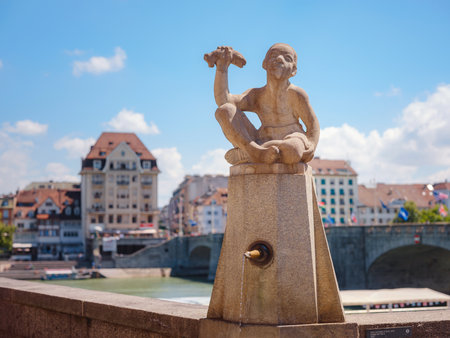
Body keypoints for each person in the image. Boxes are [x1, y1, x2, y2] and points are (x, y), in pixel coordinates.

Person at [205, 43, 320, 164]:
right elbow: (223, 101)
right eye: (274, 55)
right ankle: (254, 151)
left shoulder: (296, 94)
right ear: (264, 64)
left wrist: (311, 146)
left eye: (287, 58)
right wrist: (222, 68)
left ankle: (247, 153)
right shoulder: (257, 95)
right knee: (225, 110)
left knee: (293, 151)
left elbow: (312, 124)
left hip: (292, 139)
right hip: (260, 142)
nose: (279, 59)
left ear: (294, 70)